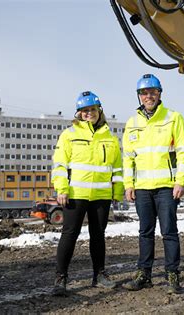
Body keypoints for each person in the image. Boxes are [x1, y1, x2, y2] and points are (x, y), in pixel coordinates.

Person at [122, 74, 184, 294]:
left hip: (166, 187)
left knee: (169, 231)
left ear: (159, 94)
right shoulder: (132, 123)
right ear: (139, 96)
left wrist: (180, 181)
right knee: (145, 232)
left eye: (153, 92)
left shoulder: (173, 118)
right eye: (144, 92)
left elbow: (183, 152)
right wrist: (128, 184)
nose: (148, 96)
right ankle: (144, 274)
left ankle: (172, 274)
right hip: (142, 188)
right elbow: (128, 158)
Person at [51, 91, 124, 296]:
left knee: (98, 236)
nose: (89, 113)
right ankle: (61, 278)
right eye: (85, 110)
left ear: (99, 110)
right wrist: (62, 189)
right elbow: (59, 165)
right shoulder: (69, 134)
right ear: (79, 113)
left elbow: (117, 168)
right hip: (75, 194)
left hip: (101, 196)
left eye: (92, 109)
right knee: (69, 235)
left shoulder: (110, 137)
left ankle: (99, 275)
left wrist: (117, 191)